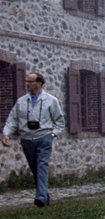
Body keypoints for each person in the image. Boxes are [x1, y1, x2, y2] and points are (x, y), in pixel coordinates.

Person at [2, 72, 65, 207]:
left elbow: (60, 122)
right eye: (26, 81)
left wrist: (52, 135)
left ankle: (40, 198)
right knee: (35, 168)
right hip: (27, 139)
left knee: (42, 165)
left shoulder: (51, 100)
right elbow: (13, 119)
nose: (27, 84)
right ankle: (44, 195)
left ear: (39, 83)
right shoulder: (21, 102)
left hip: (43, 138)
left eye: (30, 82)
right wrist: (6, 133)